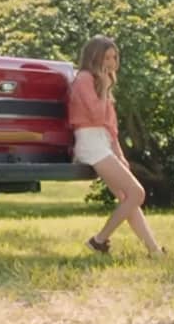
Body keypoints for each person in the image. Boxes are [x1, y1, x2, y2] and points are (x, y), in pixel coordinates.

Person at [68, 35, 165, 257]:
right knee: (136, 193)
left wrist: (119, 155)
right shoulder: (84, 79)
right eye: (107, 57)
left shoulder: (104, 82)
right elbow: (95, 114)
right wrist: (103, 87)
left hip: (103, 143)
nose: (111, 62)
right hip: (90, 144)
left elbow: (111, 128)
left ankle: (154, 251)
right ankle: (99, 240)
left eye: (114, 57)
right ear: (94, 57)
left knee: (127, 198)